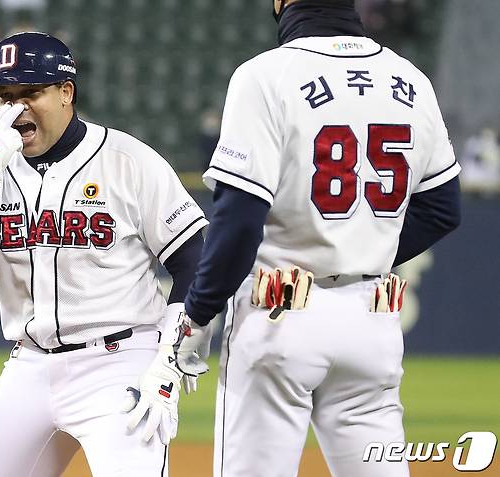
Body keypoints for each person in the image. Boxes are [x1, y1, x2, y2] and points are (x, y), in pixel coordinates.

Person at [177, 1, 462, 476]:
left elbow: (239, 222)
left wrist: (197, 314)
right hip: (373, 324)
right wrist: (360, 245)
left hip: (281, 313)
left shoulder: (266, 75)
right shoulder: (410, 80)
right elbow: (442, 209)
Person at [0, 31, 208, 477]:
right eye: (4, 96)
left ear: (66, 93)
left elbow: (196, 261)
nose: (16, 109)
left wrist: (171, 356)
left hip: (119, 363)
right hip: (29, 365)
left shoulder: (127, 160)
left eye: (31, 93)